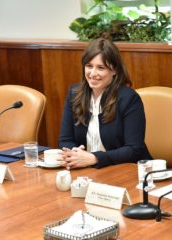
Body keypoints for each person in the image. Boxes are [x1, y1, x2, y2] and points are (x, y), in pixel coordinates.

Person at [58, 38, 152, 169]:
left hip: (124, 170)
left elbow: (134, 149)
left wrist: (94, 158)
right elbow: (65, 140)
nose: (93, 73)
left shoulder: (129, 98)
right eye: (89, 66)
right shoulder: (74, 94)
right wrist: (75, 154)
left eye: (101, 68)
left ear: (114, 70)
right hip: (85, 170)